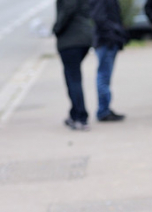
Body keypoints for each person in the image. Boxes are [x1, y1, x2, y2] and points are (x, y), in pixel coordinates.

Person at [53, 0, 94, 131]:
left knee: (73, 79)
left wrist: (56, 28)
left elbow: (67, 11)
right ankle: (75, 113)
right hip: (83, 38)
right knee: (73, 78)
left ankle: (80, 117)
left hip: (71, 41)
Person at [90, 0, 127, 122]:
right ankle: (103, 111)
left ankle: (105, 108)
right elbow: (99, 17)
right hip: (106, 41)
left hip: (108, 40)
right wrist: (113, 33)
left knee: (105, 77)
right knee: (103, 76)